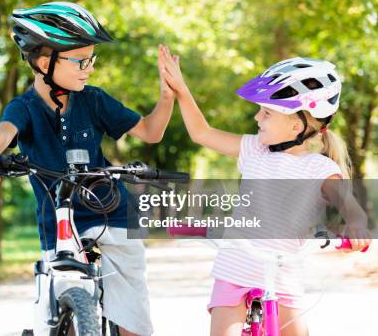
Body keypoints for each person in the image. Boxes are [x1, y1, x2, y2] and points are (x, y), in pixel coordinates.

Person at [0, 2, 176, 336]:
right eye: (80, 60)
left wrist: (167, 96)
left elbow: (150, 132)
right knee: (56, 301)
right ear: (45, 62)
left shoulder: (93, 100)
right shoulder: (24, 108)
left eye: (91, 59)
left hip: (112, 213)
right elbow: (2, 135)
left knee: (133, 313)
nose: (88, 68)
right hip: (60, 219)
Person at [158, 46, 372, 336]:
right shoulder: (255, 150)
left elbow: (350, 206)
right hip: (235, 270)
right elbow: (202, 133)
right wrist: (182, 90)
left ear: (296, 125)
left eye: (267, 112)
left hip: (283, 278)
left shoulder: (319, 169)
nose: (258, 118)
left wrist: (357, 226)